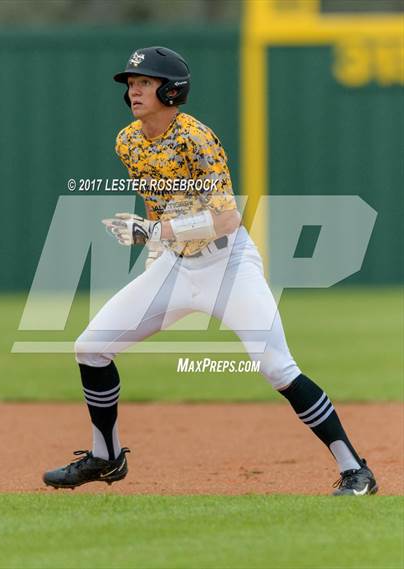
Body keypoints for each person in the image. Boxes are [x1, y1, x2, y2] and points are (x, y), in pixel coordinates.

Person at [43, 46, 377, 496]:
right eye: (131, 83)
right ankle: (106, 457)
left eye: (144, 82)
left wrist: (154, 231)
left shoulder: (196, 139)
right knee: (91, 347)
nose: (134, 90)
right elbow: (158, 205)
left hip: (227, 264)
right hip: (176, 267)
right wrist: (158, 246)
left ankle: (355, 469)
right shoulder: (128, 141)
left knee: (277, 367)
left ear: (171, 89)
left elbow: (226, 219)